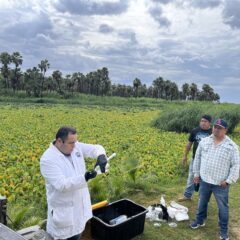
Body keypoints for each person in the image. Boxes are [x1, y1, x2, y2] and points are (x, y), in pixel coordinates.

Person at [40, 126, 108, 240]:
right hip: (63, 216)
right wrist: (85, 178)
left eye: (75, 142)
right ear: (59, 141)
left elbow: (95, 148)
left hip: (80, 211)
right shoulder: (48, 159)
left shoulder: (75, 147)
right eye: (71, 143)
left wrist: (101, 155)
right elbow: (62, 185)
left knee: (77, 235)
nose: (74, 146)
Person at [190, 119, 240, 240]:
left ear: (225, 130)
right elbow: (197, 159)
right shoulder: (204, 141)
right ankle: (200, 220)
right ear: (212, 128)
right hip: (205, 181)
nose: (216, 129)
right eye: (215, 127)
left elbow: (236, 165)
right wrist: (196, 174)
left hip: (221, 184)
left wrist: (229, 180)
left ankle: (223, 231)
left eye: (220, 128)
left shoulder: (231, 146)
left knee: (223, 208)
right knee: (202, 202)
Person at [178, 115, 212, 201]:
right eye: (201, 121)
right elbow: (189, 144)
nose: (203, 123)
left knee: (205, 179)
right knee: (191, 177)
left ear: (209, 123)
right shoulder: (195, 131)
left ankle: (202, 198)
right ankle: (187, 195)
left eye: (205, 121)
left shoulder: (213, 132)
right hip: (195, 159)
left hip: (208, 161)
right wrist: (185, 156)